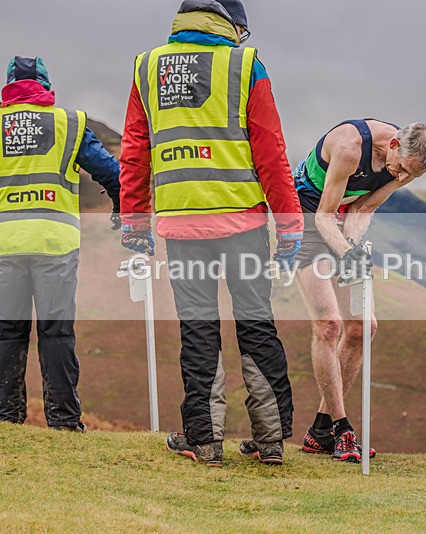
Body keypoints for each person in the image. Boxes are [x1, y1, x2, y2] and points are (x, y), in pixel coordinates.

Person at [119, 0, 304, 467]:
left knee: (198, 328)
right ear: (231, 25)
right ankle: (271, 441)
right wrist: (289, 225)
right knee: (257, 323)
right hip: (243, 222)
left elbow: (135, 151)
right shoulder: (245, 65)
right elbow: (271, 150)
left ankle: (204, 442)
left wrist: (135, 221)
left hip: (182, 226)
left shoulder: (147, 67)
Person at [0, 56, 121, 431]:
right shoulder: (68, 123)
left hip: (3, 244)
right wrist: (120, 207)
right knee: (57, 332)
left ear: (8, 87)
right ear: (47, 87)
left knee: (7, 334)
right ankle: (64, 421)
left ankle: (6, 420)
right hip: (55, 243)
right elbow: (112, 172)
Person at [293, 119, 426, 462]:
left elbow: (364, 207)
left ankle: (320, 431)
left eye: (412, 175)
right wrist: (347, 254)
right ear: (393, 145)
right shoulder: (349, 148)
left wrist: (351, 247)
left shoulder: (408, 161)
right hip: (306, 217)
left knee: (363, 327)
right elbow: (323, 216)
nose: (401, 178)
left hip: (342, 223)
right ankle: (342, 427)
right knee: (329, 325)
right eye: (401, 170)